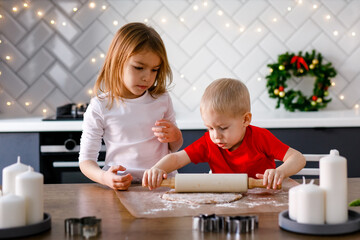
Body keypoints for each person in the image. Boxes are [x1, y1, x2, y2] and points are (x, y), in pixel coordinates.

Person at [143, 78, 306, 190]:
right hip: (225, 203)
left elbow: (297, 158)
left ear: (245, 120)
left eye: (223, 128)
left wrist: (280, 172)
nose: (216, 136)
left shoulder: (260, 137)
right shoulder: (209, 142)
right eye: (210, 128)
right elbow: (177, 158)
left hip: (263, 198)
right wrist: (157, 169)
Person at [79, 22, 183, 191]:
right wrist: (104, 177)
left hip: (162, 184)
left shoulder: (162, 99)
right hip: (122, 187)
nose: (147, 77)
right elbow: (86, 161)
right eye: (139, 67)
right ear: (117, 61)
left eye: (154, 70)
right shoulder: (100, 106)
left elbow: (175, 147)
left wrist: (176, 135)